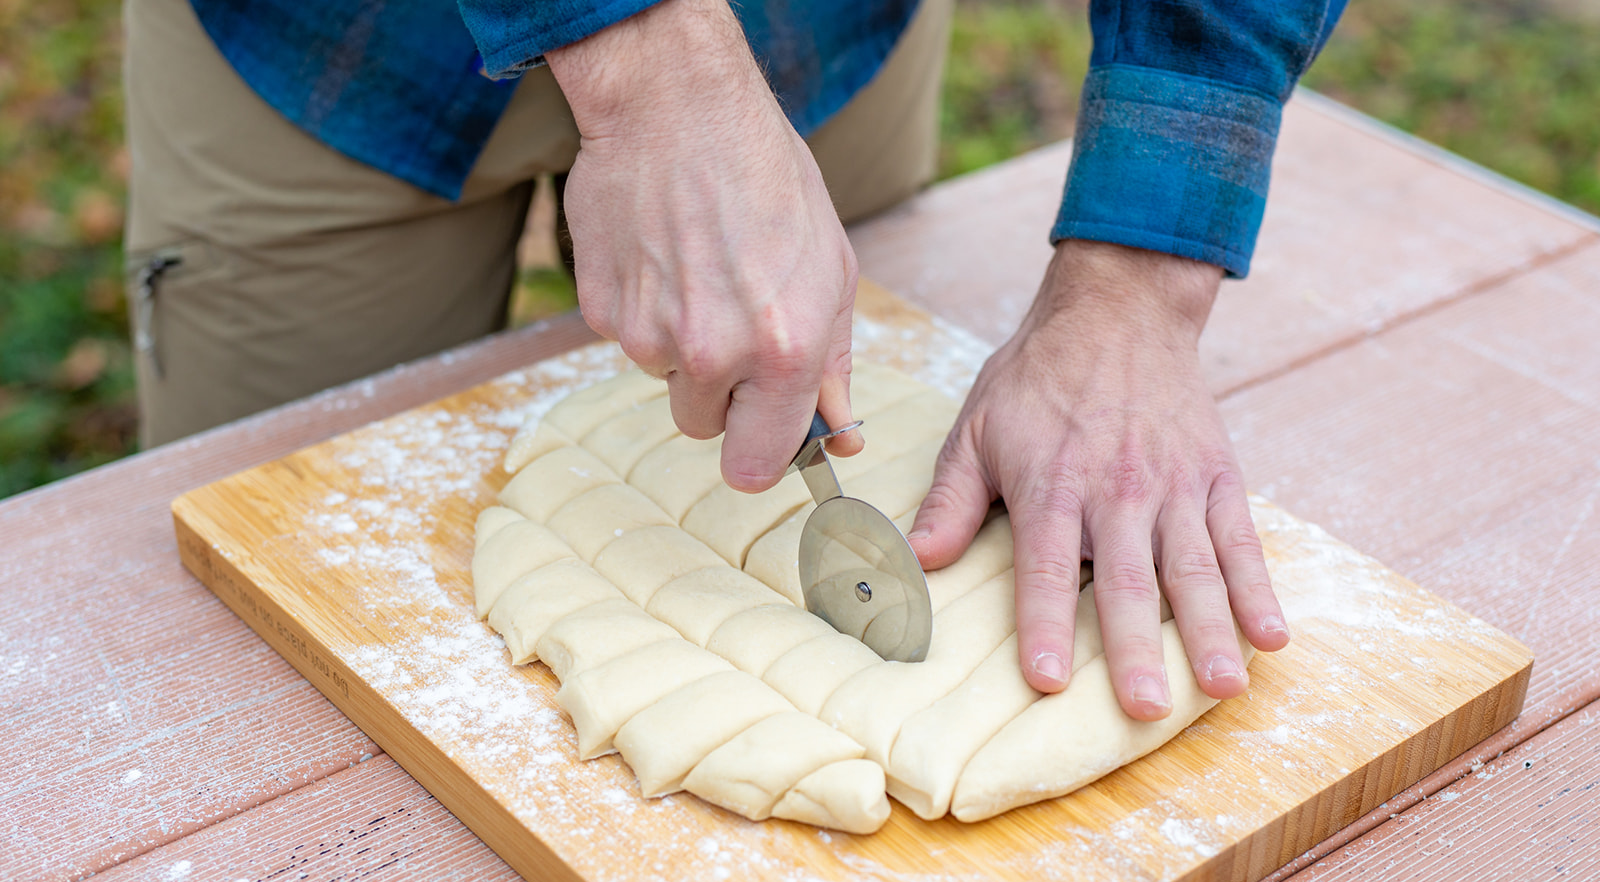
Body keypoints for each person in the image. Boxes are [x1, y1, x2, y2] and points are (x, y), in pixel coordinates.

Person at [125, 0, 1346, 719]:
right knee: (280, 605)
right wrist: (647, 55)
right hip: (339, 45)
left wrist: (1135, 279)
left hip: (809, 35)